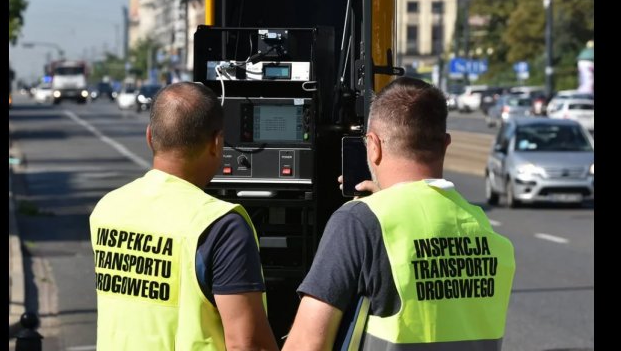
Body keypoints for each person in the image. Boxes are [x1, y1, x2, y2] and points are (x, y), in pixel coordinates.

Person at [283, 77, 516, 351]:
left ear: (373, 145)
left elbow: (306, 344)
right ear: (445, 144)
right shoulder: (482, 227)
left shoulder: (359, 222)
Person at [89, 82, 279, 350]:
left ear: (150, 137)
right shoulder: (220, 225)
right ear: (216, 143)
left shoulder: (108, 207)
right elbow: (246, 343)